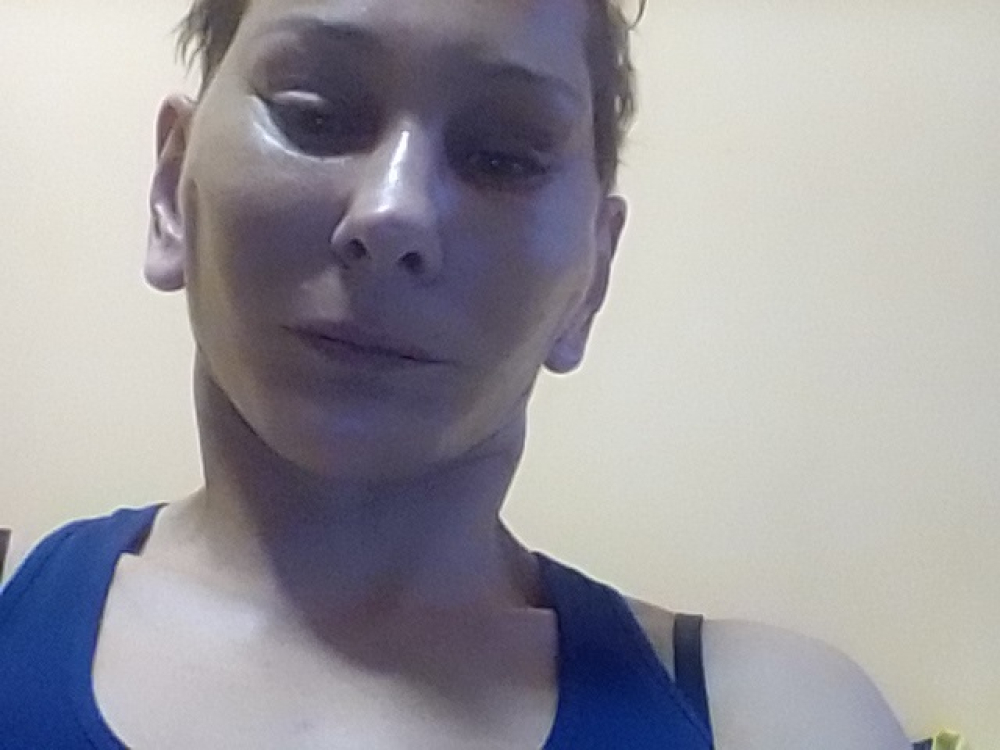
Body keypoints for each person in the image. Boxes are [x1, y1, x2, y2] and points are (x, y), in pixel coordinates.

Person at [0, 0, 913, 747]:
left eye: (501, 157)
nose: (392, 213)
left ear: (590, 278)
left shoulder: (776, 719)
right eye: (315, 115)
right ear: (172, 192)